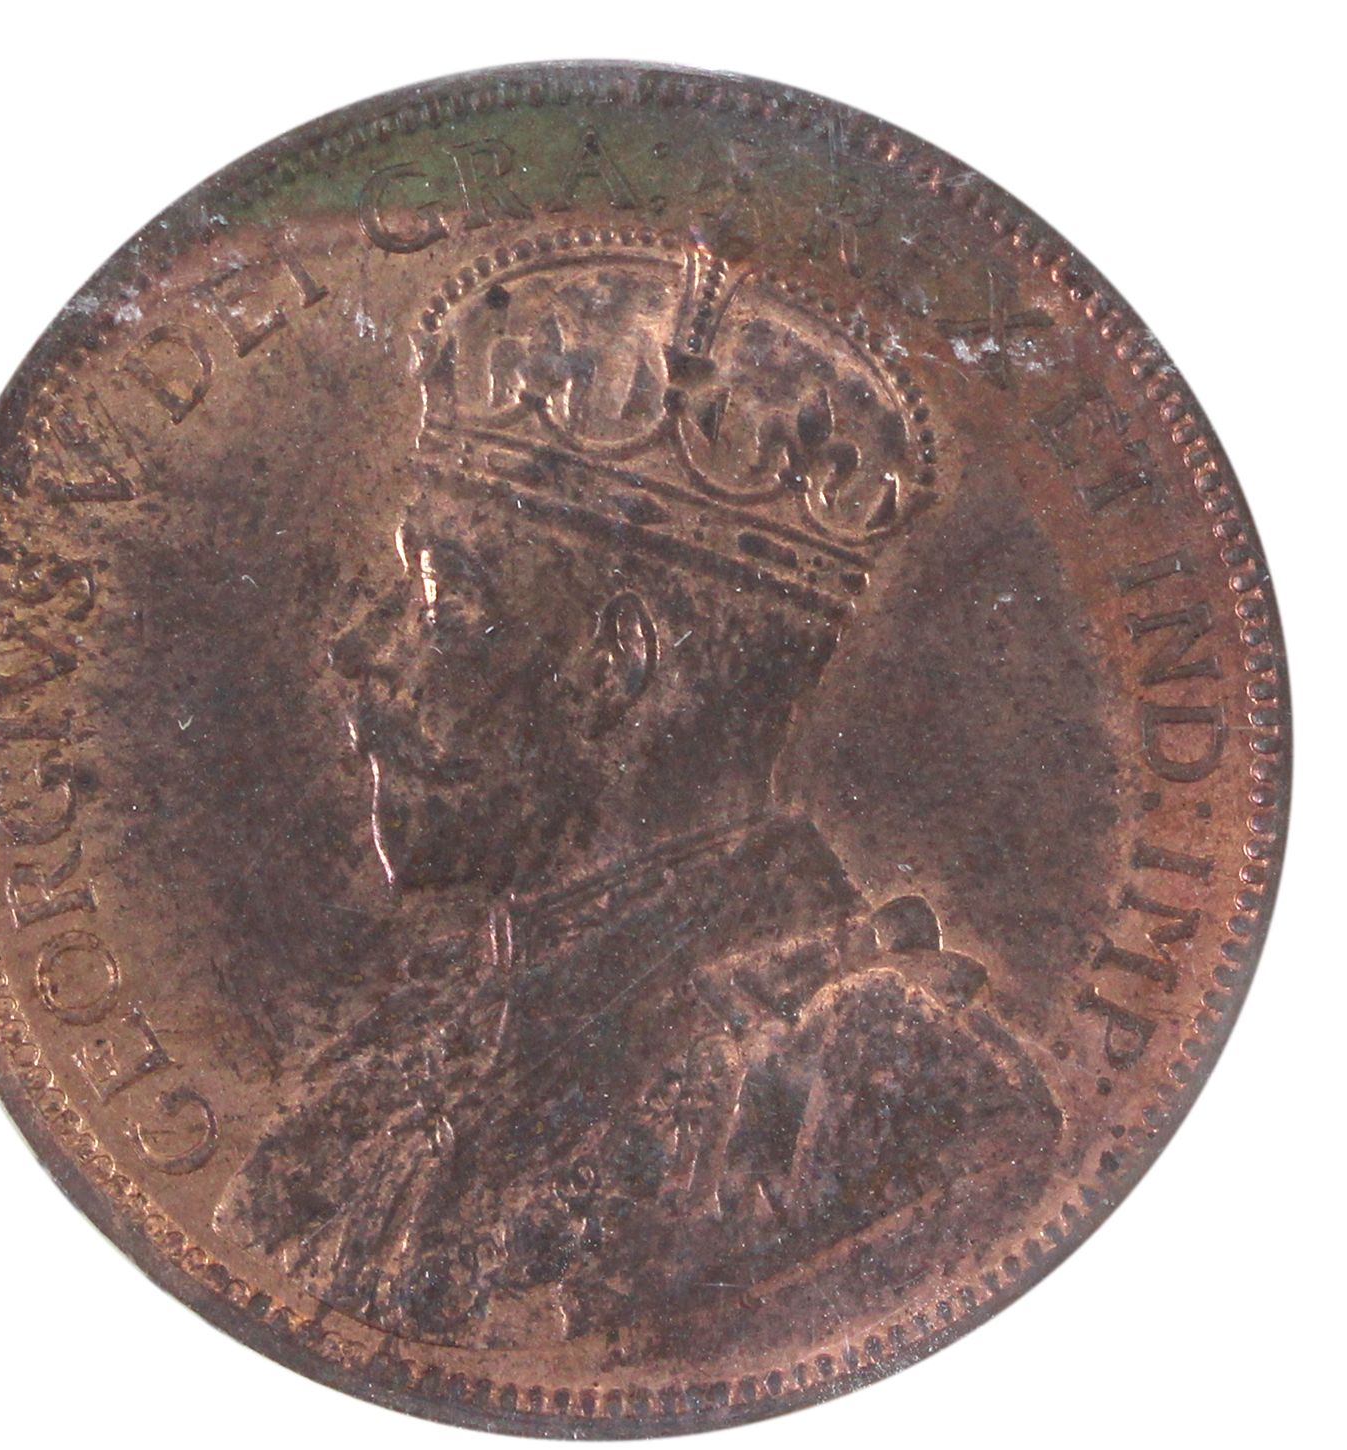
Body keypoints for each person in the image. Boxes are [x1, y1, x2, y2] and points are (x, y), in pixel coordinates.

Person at [216, 232, 1066, 1351]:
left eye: (437, 602)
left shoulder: (882, 1096)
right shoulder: (399, 1064)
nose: (359, 650)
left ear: (612, 668)